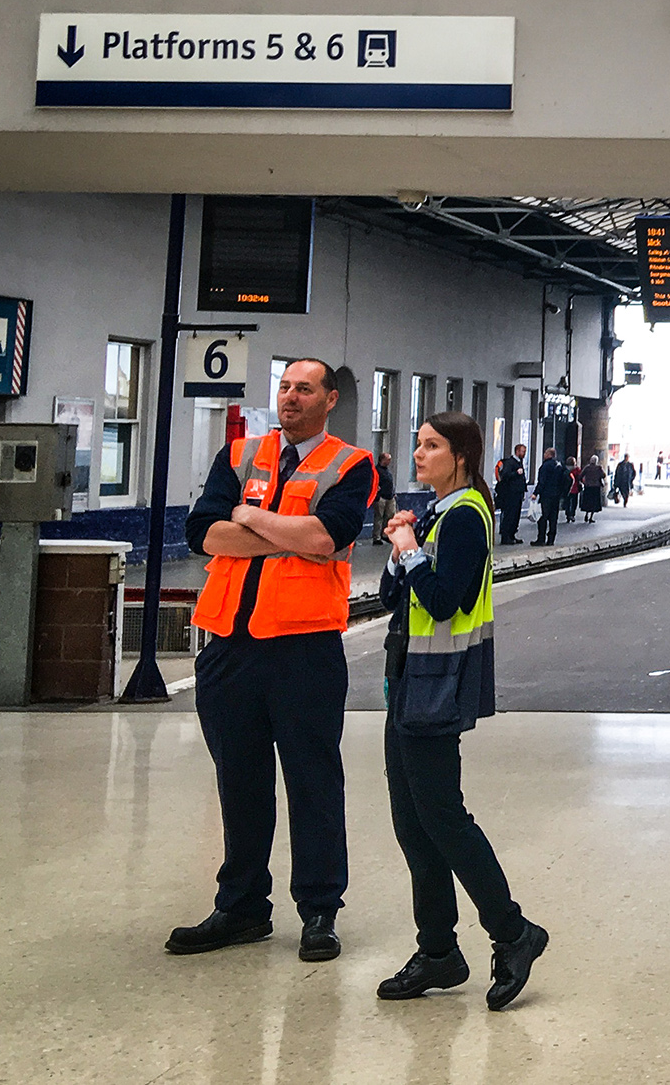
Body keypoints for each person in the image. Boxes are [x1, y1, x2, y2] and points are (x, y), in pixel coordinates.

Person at [169, 358, 376, 963]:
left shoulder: (350, 464)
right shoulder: (239, 455)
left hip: (304, 648)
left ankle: (319, 911)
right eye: (284, 387)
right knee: (239, 781)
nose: (290, 397)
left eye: (304, 389)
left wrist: (250, 517)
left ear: (329, 399)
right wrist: (288, 534)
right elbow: (201, 532)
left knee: (314, 782)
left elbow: (327, 538)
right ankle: (241, 907)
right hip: (229, 647)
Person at [376, 411, 548, 1010]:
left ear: (462, 457)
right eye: (418, 443)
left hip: (437, 683)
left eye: (431, 446)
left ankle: (513, 932)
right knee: (412, 822)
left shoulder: (468, 516)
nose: (418, 454)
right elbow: (395, 597)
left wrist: (410, 553)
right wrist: (400, 553)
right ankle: (438, 951)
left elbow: (445, 601)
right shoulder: (435, 514)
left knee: (443, 817)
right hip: (409, 679)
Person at [494, 443, 527, 545]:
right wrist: (516, 473)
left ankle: (512, 535)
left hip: (518, 493)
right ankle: (506, 536)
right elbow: (505, 475)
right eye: (522, 451)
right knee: (509, 515)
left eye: (525, 452)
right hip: (511, 494)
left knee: (516, 516)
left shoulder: (519, 462)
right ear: (517, 451)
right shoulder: (510, 462)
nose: (524, 454)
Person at [532, 448, 565, 545]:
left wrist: (536, 493)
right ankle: (551, 539)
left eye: (545, 453)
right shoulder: (559, 465)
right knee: (553, 518)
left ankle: (541, 539)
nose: (544, 454)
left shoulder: (545, 466)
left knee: (543, 517)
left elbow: (542, 481)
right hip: (556, 495)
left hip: (546, 495)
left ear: (549, 454)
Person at [373, 451, 398, 545]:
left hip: (389, 496)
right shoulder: (377, 470)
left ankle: (385, 534)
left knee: (390, 515)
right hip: (381, 497)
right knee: (379, 517)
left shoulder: (387, 471)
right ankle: (377, 537)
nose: (389, 461)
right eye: (388, 459)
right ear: (382, 460)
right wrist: (377, 495)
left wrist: (393, 493)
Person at [579, 455, 607, 523]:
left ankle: (586, 514)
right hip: (596, 487)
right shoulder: (598, 468)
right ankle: (591, 517)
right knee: (594, 503)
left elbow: (581, 476)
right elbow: (603, 475)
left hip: (588, 487)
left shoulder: (587, 467)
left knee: (588, 502)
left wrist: (584, 482)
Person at [562, 456, 581, 522]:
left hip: (567, 488)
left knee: (567, 502)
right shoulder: (577, 469)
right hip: (575, 488)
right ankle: (572, 514)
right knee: (574, 503)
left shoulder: (565, 469)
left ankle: (568, 514)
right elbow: (580, 477)